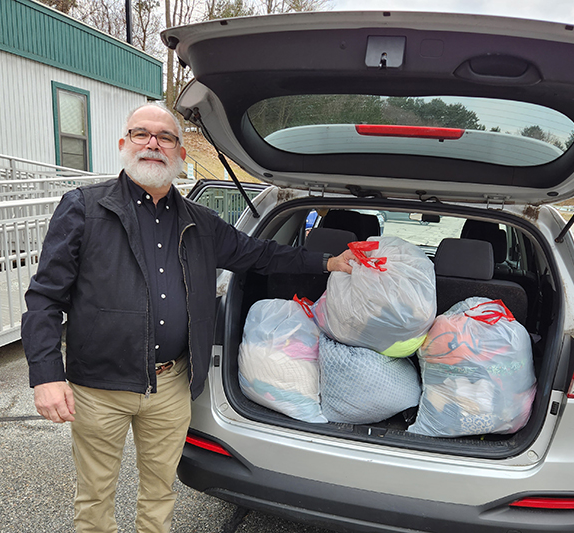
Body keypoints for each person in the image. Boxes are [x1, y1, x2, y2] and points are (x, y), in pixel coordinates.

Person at [21, 103, 354, 533]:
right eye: (142, 134)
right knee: (94, 498)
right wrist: (46, 374)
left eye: (165, 138)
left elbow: (262, 255)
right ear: (124, 144)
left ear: (180, 155)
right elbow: (45, 296)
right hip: (98, 387)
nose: (153, 144)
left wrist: (328, 263)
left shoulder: (202, 222)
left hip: (171, 385)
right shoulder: (84, 208)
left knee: (159, 493)